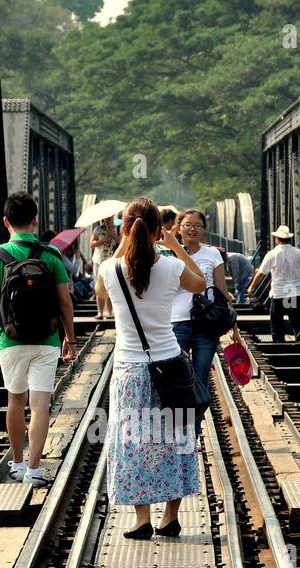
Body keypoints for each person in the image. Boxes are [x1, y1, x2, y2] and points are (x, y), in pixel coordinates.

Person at [97, 197, 207, 540]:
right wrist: (174, 245)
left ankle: (142, 519)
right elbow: (201, 284)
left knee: (135, 442)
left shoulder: (109, 270)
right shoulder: (172, 266)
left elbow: (102, 288)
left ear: (125, 230)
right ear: (159, 230)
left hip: (130, 372)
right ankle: (171, 516)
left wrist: (126, 242)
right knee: (175, 438)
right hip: (170, 366)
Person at [0, 192, 76, 488]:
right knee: (40, 404)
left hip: (11, 340)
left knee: (15, 400)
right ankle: (34, 471)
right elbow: (64, 302)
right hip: (47, 339)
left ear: (6, 221)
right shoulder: (51, 255)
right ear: (35, 221)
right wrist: (69, 338)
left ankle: (18, 464)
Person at [170, 209, 240, 437]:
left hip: (206, 326)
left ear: (204, 230)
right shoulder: (166, 254)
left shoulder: (212, 255)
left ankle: (194, 431)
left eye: (197, 226)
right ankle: (177, 428)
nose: (192, 229)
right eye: (187, 225)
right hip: (176, 323)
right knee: (178, 380)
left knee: (200, 378)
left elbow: (222, 293)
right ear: (178, 228)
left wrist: (234, 326)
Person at [248, 225, 300, 342]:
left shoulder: (272, 254)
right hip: (294, 293)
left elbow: (260, 273)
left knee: (277, 324)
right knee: (297, 322)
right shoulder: (299, 253)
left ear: (277, 239)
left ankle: (279, 345)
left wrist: (251, 287)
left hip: (279, 294)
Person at [90, 218, 118, 320]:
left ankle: (110, 312)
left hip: (110, 260)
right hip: (99, 260)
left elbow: (121, 242)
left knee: (111, 286)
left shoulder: (116, 229)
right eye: (107, 219)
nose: (108, 220)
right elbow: (91, 244)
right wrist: (103, 240)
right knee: (99, 287)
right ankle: (100, 312)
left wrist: (113, 235)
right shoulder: (98, 229)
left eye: (110, 218)